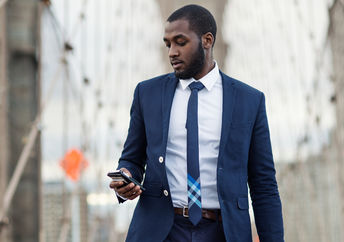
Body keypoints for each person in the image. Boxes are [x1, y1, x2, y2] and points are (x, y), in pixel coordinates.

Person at [110, 4, 284, 242]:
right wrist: (126, 176)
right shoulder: (146, 94)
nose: (171, 52)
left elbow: (263, 184)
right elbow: (132, 158)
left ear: (207, 40)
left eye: (180, 42)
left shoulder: (249, 100)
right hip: (161, 231)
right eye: (168, 44)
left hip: (224, 232)